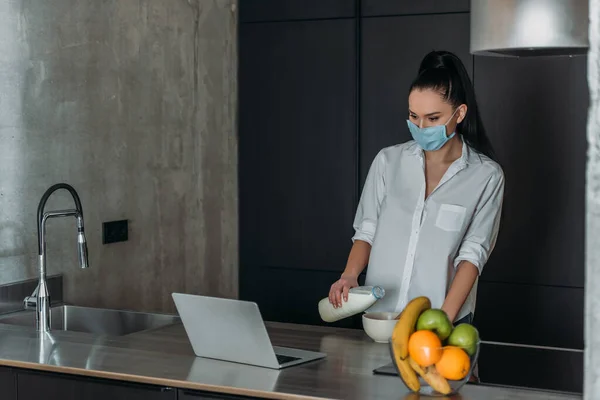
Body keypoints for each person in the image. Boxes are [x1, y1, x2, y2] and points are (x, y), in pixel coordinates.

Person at [328, 50, 505, 330]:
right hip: (380, 318)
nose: (421, 127)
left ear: (459, 114)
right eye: (414, 116)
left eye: (433, 118)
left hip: (442, 320)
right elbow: (367, 230)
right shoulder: (388, 162)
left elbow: (472, 255)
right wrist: (350, 275)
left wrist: (444, 320)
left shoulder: (485, 176)